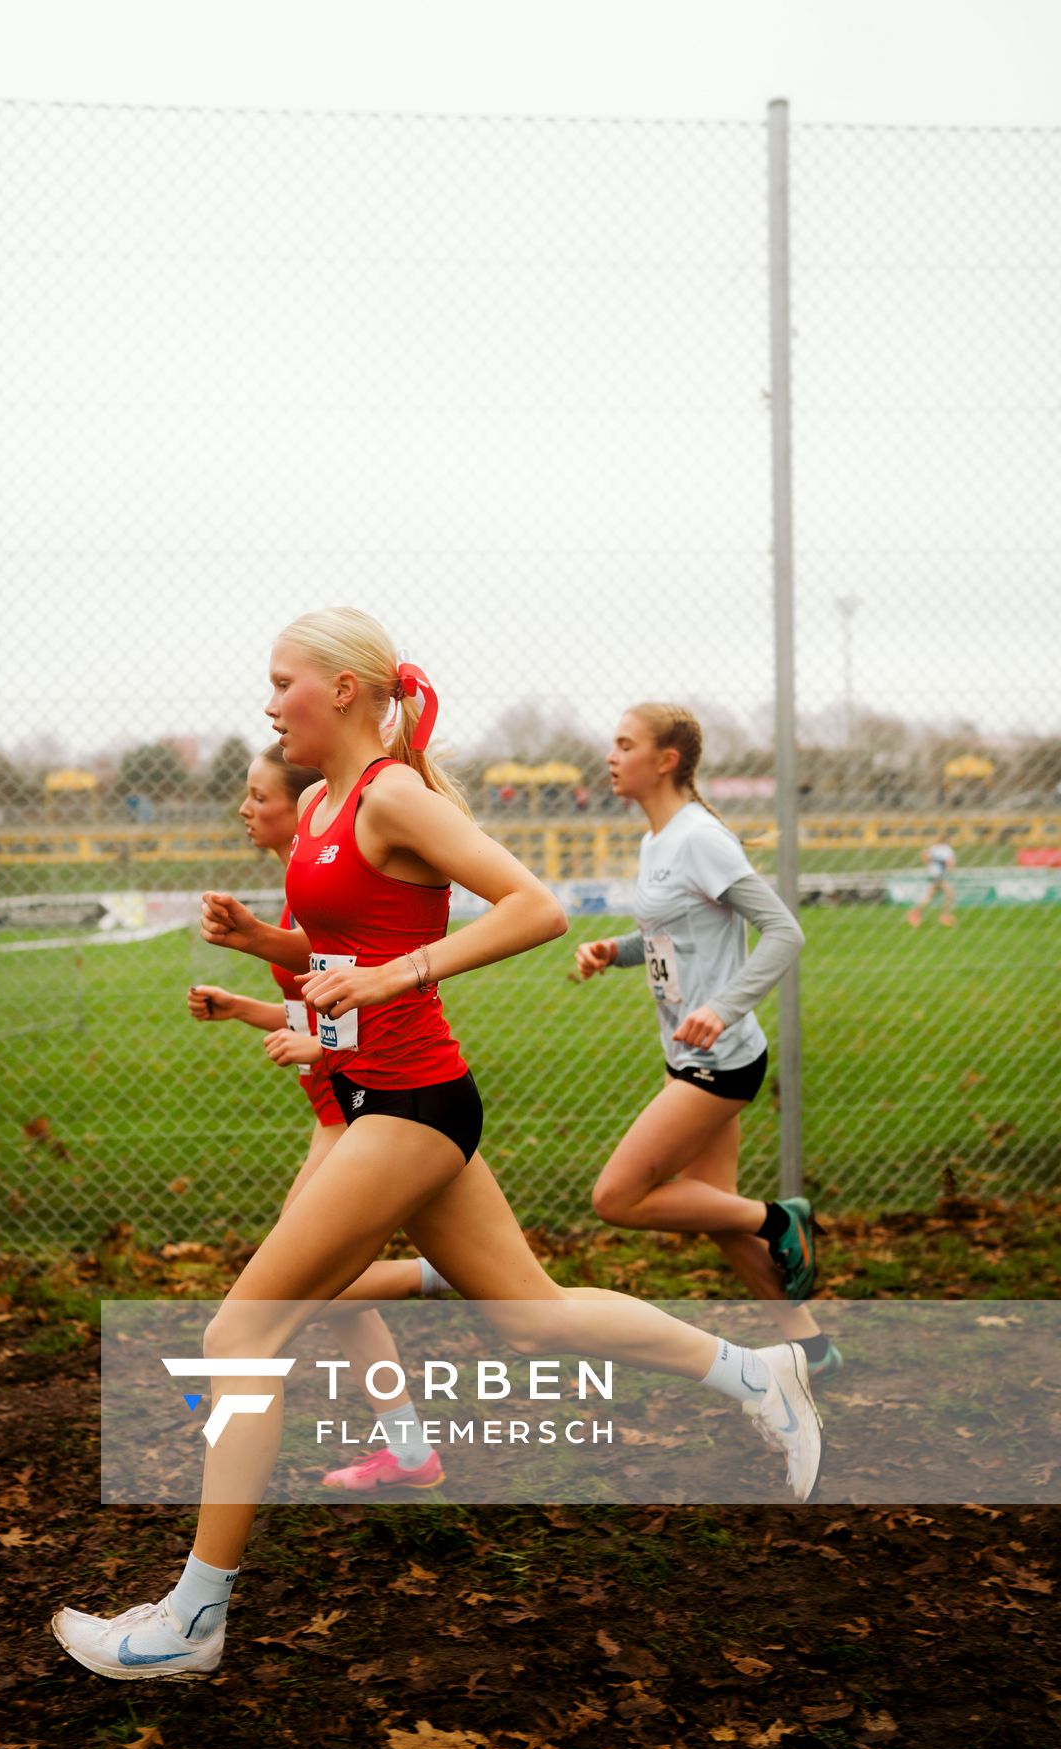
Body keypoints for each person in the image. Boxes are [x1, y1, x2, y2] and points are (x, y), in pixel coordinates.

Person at [52, 609, 824, 1683]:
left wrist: (400, 976)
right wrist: (267, 946)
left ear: (348, 690)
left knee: (239, 1335)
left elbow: (535, 907)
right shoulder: (319, 803)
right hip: (394, 1100)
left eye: (284, 683)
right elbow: (340, 948)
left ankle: (192, 1620)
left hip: (410, 1110)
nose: (269, 703)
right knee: (531, 1316)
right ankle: (754, 1371)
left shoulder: (394, 795)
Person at [188, 742, 457, 1494]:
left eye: (256, 795)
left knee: (300, 1292)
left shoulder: (333, 879)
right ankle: (409, 1452)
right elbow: (324, 999)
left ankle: (435, 1276)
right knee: (327, 1296)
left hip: (359, 1107)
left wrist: (315, 1038)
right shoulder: (303, 889)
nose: (245, 809)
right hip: (338, 1104)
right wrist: (249, 1008)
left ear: (303, 801)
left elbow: (376, 996)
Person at [574, 703, 840, 1382]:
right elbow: (680, 936)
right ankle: (814, 1350)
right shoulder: (656, 841)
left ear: (666, 760)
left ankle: (782, 1218)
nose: (611, 754)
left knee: (618, 1198)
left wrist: (724, 1007)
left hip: (717, 1062)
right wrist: (618, 951)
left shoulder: (699, 838)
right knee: (717, 1217)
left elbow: (784, 931)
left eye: (625, 743)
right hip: (686, 1057)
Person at [907, 836, 957, 928]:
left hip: (933, 874)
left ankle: (915, 912)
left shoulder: (934, 848)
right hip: (940, 875)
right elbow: (950, 862)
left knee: (930, 897)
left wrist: (929, 866)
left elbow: (924, 856)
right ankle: (944, 915)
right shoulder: (947, 849)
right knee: (949, 893)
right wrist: (949, 869)